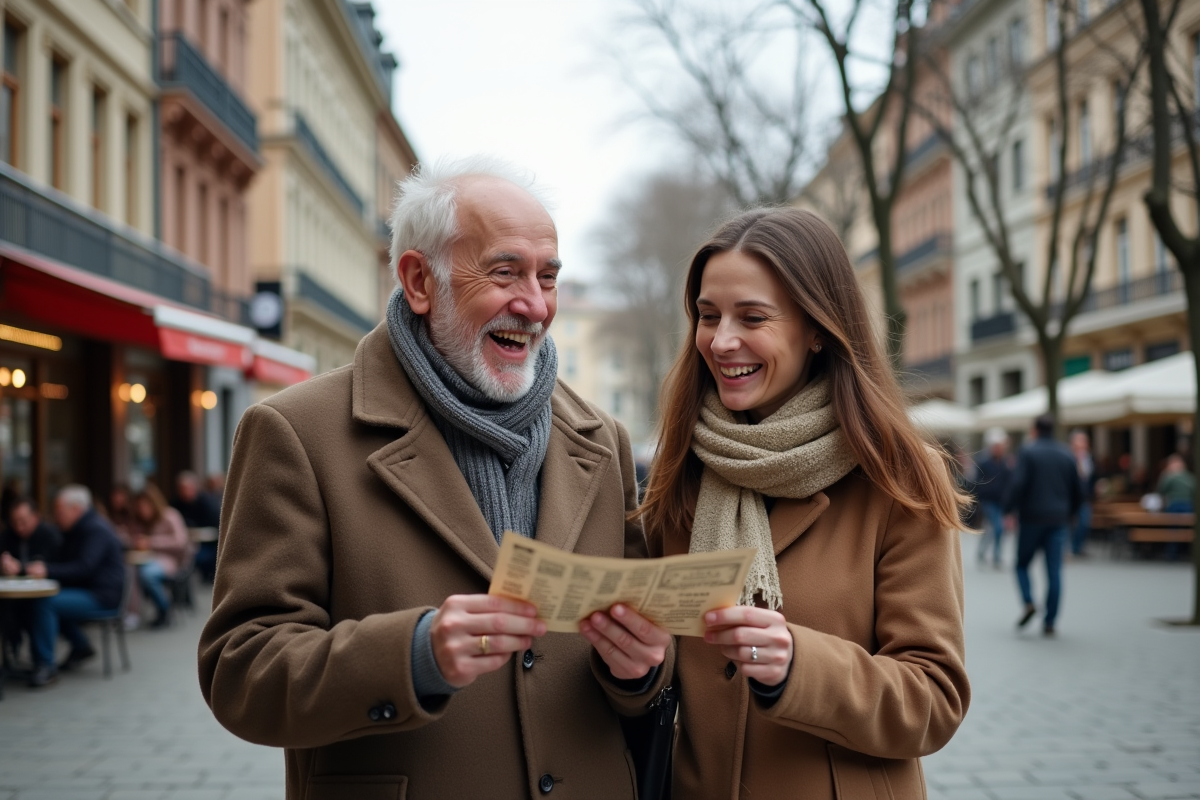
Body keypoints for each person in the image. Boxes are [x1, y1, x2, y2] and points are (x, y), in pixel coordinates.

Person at [198, 157, 673, 799]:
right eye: (504, 272)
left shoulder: (602, 438)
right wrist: (416, 654)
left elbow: (644, 647)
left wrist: (641, 669)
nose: (534, 305)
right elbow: (241, 670)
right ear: (420, 281)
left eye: (549, 277)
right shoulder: (296, 432)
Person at [637, 207, 970, 799]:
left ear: (817, 327)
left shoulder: (898, 477)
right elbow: (662, 671)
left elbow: (934, 699)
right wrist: (628, 667)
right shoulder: (681, 470)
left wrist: (798, 663)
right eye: (707, 316)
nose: (721, 340)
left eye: (753, 317)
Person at [23, 485, 126, 687]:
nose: (56, 516)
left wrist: (47, 570)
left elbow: (84, 568)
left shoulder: (95, 529)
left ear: (76, 509)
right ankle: (80, 646)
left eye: (59, 512)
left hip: (101, 596)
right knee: (44, 601)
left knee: (46, 602)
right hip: (89, 590)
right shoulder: (79, 529)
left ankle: (46, 666)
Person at [1005, 414, 1083, 636]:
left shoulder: (1029, 452)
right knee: (1055, 572)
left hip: (1032, 519)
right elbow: (1078, 490)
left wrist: (1008, 509)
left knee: (1021, 564)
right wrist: (1072, 514)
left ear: (1035, 430)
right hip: (1058, 520)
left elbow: (1018, 484)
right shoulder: (1066, 454)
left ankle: (1029, 601)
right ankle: (1050, 622)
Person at [0, 497, 62, 663]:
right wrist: (4, 564)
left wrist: (22, 568)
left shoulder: (50, 535)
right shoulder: (8, 535)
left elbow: (55, 566)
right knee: (7, 607)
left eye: (23, 521)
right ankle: (11, 651)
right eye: (14, 522)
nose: (19, 527)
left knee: (40, 606)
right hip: (15, 595)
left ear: (36, 517)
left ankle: (44, 663)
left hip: (46, 593)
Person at [123, 483, 190, 628]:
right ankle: (132, 613)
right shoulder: (138, 521)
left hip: (169, 560)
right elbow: (133, 539)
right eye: (139, 506)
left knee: (147, 574)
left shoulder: (170, 516)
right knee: (129, 571)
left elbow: (180, 542)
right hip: (143, 559)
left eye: (145, 505)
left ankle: (164, 608)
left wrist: (151, 542)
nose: (142, 509)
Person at [972, 427, 1014, 567]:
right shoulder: (984, 462)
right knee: (997, 527)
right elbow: (977, 482)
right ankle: (996, 556)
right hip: (988, 500)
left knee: (994, 529)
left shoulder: (1005, 463)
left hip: (1001, 501)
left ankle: (983, 551)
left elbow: (1009, 482)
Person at [171, 471, 220, 582]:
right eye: (181, 488)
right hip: (184, 543)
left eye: (186, 488)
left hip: (206, 544)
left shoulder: (206, 503)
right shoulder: (176, 503)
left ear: (194, 487)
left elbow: (216, 528)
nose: (184, 492)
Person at [1069, 430, 1097, 556]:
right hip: (1070, 497)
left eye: (1084, 441)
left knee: (1084, 522)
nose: (1082, 444)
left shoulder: (1089, 458)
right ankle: (1068, 549)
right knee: (1068, 524)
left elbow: (1091, 477)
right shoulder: (1068, 457)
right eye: (1079, 441)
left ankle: (1077, 547)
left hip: (1085, 497)